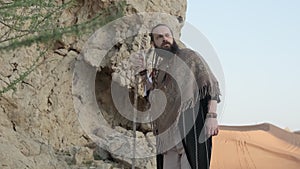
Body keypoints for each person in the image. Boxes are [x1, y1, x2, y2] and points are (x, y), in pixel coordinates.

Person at [131, 24, 221, 169]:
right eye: (159, 37)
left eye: (167, 35)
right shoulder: (159, 71)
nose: (165, 39)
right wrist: (143, 73)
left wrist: (212, 116)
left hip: (190, 127)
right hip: (167, 136)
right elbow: (154, 98)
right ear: (153, 44)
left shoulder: (190, 57)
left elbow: (211, 87)